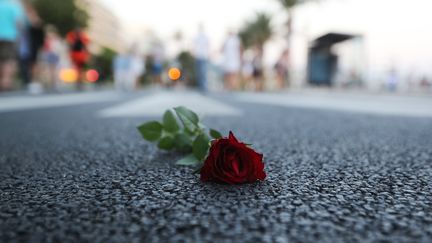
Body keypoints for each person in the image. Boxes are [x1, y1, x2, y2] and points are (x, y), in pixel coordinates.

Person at [18, 0, 44, 94]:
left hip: (33, 46)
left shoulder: (35, 21)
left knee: (33, 64)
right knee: (26, 63)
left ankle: (33, 82)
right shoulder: (25, 19)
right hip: (26, 45)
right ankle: (28, 81)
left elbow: (39, 35)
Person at [0, 0, 24, 91]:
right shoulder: (13, 5)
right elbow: (18, 22)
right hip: (10, 36)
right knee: (8, 60)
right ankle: (6, 82)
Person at [41, 25, 62, 90]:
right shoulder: (47, 40)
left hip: (53, 54)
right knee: (50, 70)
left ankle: (54, 82)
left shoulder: (54, 39)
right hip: (50, 54)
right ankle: (51, 82)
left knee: (53, 69)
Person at [193, 24, 210, 92]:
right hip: (199, 55)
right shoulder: (197, 36)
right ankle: (201, 85)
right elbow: (195, 46)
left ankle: (204, 85)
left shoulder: (205, 37)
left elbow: (208, 45)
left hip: (203, 55)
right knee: (200, 71)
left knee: (203, 71)